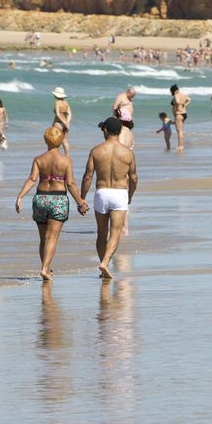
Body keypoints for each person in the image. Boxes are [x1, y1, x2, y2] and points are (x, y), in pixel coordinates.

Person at [14, 126, 88, 281]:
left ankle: (46, 268)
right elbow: (71, 184)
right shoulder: (66, 160)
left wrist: (20, 196)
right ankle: (45, 269)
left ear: (45, 140)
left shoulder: (39, 159)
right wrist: (80, 202)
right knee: (52, 237)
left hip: (41, 198)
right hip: (58, 199)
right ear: (60, 141)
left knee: (43, 238)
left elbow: (32, 180)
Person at [80, 117, 139, 279]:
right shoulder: (128, 153)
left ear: (105, 130)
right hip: (119, 193)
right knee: (115, 233)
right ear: (119, 131)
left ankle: (103, 266)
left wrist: (81, 199)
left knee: (101, 233)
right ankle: (105, 262)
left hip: (102, 192)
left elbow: (88, 177)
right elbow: (133, 178)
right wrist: (130, 195)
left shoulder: (96, 151)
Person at [169, 84, 190, 150]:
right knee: (180, 130)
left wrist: (178, 104)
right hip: (184, 113)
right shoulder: (183, 94)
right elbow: (189, 99)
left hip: (179, 114)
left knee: (179, 131)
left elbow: (177, 101)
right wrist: (185, 105)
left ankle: (180, 146)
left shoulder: (176, 95)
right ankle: (181, 145)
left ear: (173, 91)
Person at [51, 87, 72, 155]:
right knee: (65, 141)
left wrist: (62, 122)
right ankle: (67, 156)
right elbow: (69, 114)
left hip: (58, 123)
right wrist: (67, 123)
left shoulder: (57, 102)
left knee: (55, 140)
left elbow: (57, 114)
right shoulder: (66, 103)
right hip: (66, 123)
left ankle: (55, 155)